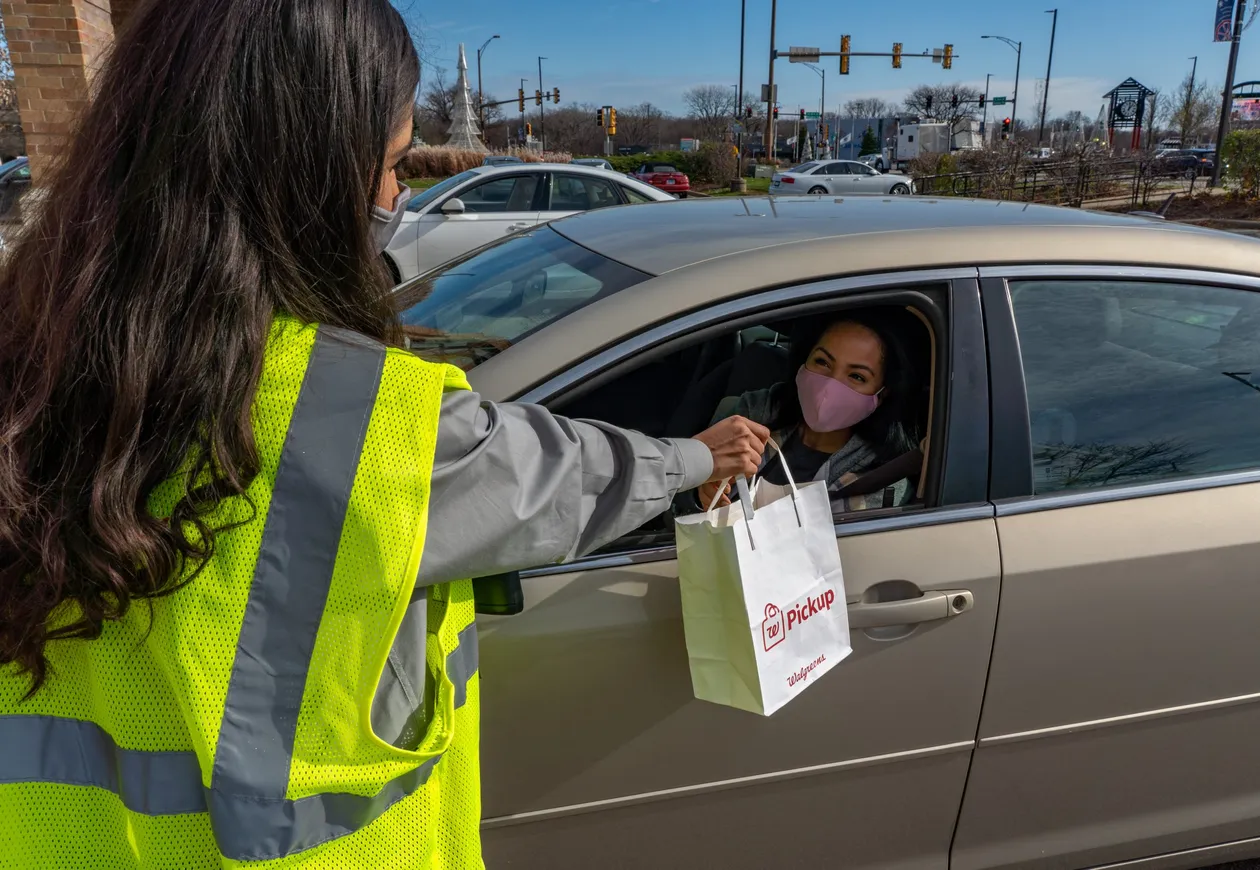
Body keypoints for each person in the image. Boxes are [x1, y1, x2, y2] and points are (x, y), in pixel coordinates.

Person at [0, 1, 767, 867]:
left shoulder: (42, 358)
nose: (399, 198)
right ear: (304, 173)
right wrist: (697, 457)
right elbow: (549, 477)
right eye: (395, 163)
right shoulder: (363, 418)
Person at [697, 312, 925, 514]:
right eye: (823, 362)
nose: (830, 386)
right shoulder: (749, 414)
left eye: (857, 376)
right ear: (803, 361)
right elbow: (685, 497)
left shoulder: (884, 480)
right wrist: (700, 492)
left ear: (882, 394)